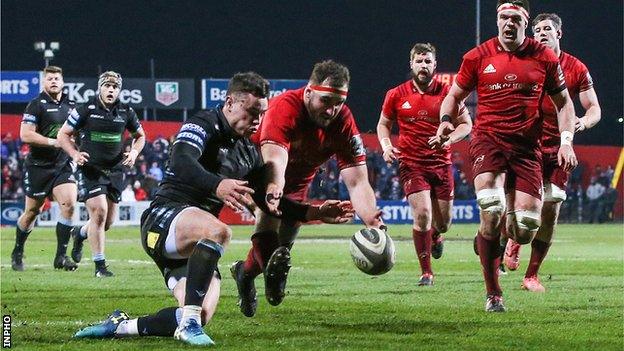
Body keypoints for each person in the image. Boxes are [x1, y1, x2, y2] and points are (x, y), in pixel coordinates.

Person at [72, 72, 354, 346]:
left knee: (202, 311)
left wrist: (315, 212)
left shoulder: (248, 153)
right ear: (230, 102)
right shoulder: (204, 123)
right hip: (164, 217)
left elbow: (271, 204)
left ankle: (122, 326)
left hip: (194, 244)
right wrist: (217, 185)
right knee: (219, 231)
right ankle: (189, 326)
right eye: (252, 111)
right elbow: (182, 160)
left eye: (262, 113)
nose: (257, 120)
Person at [437, 0, 578, 312]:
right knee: (491, 202)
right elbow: (453, 96)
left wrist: (566, 141)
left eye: (515, 18)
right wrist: (446, 122)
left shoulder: (543, 57)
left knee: (525, 227)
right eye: (503, 17)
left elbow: (565, 104)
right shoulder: (477, 57)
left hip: (528, 149)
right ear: (497, 20)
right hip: (489, 141)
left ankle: (500, 237)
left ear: (524, 23)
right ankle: (493, 293)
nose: (508, 24)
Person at [231, 60, 385, 317]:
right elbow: (274, 159)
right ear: (309, 92)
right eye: (325, 101)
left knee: (282, 252)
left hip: (297, 186)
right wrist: (273, 189)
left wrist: (372, 221)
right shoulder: (284, 108)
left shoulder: (343, 121)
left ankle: (244, 273)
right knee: (269, 223)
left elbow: (357, 180)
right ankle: (254, 273)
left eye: (339, 103)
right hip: (262, 175)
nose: (331, 110)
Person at [502, 12, 602, 292]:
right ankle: (512, 239)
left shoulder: (576, 68)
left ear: (559, 34)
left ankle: (531, 275)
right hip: (526, 147)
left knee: (552, 206)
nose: (541, 33)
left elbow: (594, 108)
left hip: (559, 147)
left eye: (547, 28)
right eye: (537, 29)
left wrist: (582, 122)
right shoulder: (524, 63)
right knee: (517, 219)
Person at [377, 43, 472, 286]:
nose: (423, 66)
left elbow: (466, 125)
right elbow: (383, 124)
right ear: (411, 64)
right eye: (419, 61)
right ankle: (426, 272)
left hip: (441, 164)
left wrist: (448, 140)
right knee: (422, 216)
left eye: (428, 61)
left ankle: (437, 236)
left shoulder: (448, 94)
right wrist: (387, 146)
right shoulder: (396, 94)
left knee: (444, 223)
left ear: (434, 65)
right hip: (411, 163)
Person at [57, 71, 146, 277]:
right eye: (107, 86)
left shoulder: (126, 111)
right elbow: (63, 134)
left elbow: (140, 136)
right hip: (90, 169)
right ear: (100, 88)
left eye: (115, 87)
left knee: (106, 223)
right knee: (99, 211)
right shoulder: (85, 109)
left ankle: (79, 234)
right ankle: (100, 267)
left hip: (115, 170)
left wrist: (133, 152)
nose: (111, 90)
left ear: (119, 90)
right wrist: (74, 154)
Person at [10, 65, 78, 271]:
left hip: (62, 165)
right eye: (50, 79)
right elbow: (26, 135)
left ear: (63, 81)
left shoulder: (71, 105)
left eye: (57, 78)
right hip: (38, 166)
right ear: (44, 82)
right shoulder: (35, 105)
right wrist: (54, 142)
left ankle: (61, 257)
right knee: (32, 211)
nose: (54, 82)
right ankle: (18, 250)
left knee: (69, 205)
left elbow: (78, 131)